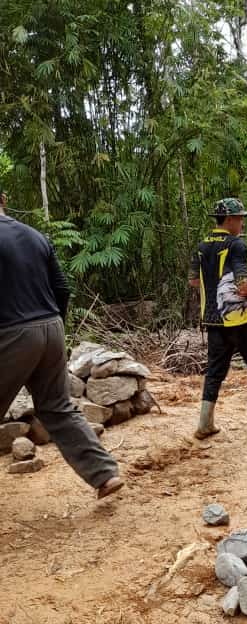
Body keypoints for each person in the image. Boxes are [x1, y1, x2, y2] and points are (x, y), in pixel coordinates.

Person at [0, 210, 123, 499]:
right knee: (57, 407)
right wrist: (54, 331)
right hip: (51, 327)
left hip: (12, 332)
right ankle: (104, 475)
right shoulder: (35, 236)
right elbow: (62, 288)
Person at [189, 197, 247, 439]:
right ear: (229, 219)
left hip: (212, 318)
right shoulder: (236, 245)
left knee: (215, 370)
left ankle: (204, 423)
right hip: (238, 318)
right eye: (240, 218)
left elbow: (194, 281)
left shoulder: (201, 246)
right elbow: (242, 282)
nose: (242, 223)